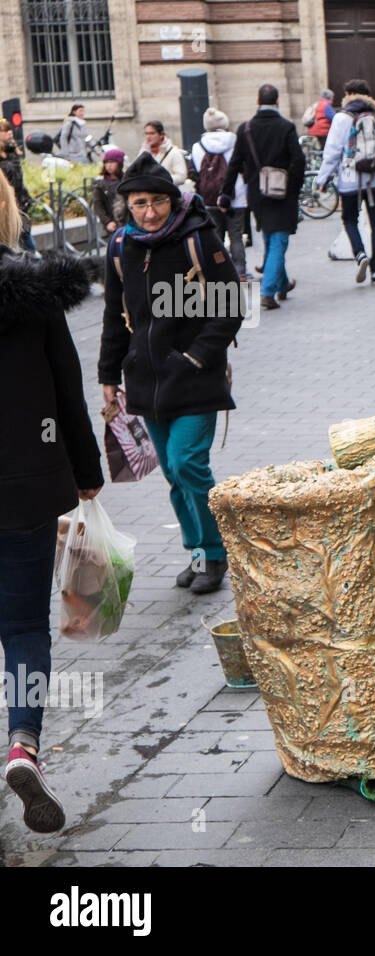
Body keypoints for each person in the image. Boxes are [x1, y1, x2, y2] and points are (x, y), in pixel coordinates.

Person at [0, 173, 103, 834]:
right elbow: (68, 390)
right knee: (24, 627)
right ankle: (23, 745)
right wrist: (87, 474)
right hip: (25, 487)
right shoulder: (35, 293)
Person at [98, 154, 242, 594]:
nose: (149, 211)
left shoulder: (197, 237)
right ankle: (196, 552)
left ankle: (215, 554)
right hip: (146, 379)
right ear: (128, 205)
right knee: (173, 475)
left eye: (157, 201)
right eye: (139, 203)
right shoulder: (122, 247)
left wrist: (196, 356)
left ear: (172, 199)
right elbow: (112, 314)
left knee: (187, 462)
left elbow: (231, 303)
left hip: (195, 377)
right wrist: (108, 373)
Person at [219, 83, 306, 310]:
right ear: (278, 102)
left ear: (258, 102)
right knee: (279, 240)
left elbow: (235, 163)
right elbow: (298, 160)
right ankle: (267, 292)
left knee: (271, 237)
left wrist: (225, 193)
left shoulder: (245, 129)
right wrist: (293, 189)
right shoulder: (286, 127)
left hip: (257, 193)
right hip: (282, 190)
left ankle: (283, 283)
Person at [316, 78, 375, 285]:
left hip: (349, 180)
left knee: (349, 220)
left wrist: (323, 179)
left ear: (348, 95)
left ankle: (360, 254)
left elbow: (332, 152)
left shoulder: (342, 118)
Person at [191, 108, 248, 280]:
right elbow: (243, 167)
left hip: (209, 198)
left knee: (216, 237)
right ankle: (240, 270)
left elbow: (194, 172)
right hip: (235, 197)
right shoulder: (235, 141)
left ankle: (219, 271)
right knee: (236, 235)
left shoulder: (197, 146)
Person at [0, 119, 35, 250]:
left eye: (10, 130)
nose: (10, 133)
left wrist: (26, 198)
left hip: (19, 203)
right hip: (7, 204)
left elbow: (18, 180)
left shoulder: (13, 152)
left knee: (28, 245)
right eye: (5, 130)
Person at [138, 121, 191, 190]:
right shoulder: (143, 152)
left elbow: (181, 177)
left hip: (167, 193)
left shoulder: (174, 152)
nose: (148, 137)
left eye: (152, 133)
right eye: (146, 133)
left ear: (161, 135)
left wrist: (161, 179)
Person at [90, 147, 125, 238]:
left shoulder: (127, 180)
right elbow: (98, 205)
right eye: (106, 162)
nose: (109, 165)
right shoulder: (101, 184)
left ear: (119, 164)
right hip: (113, 225)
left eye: (112, 162)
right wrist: (107, 222)